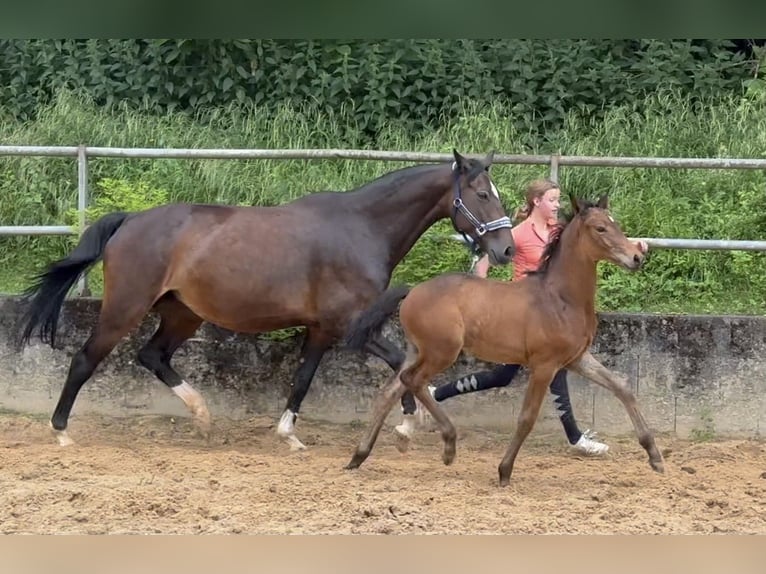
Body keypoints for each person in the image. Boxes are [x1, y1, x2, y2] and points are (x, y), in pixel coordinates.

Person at [396, 178, 649, 456]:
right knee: (529, 373)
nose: (556, 205)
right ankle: (575, 438)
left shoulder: (560, 231)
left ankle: (436, 394)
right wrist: (479, 300)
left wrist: (629, 246)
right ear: (536, 202)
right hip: (522, 312)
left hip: (554, 311)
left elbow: (595, 239)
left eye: (557, 200)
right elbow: (484, 262)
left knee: (516, 374)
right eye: (552, 200)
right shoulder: (520, 233)